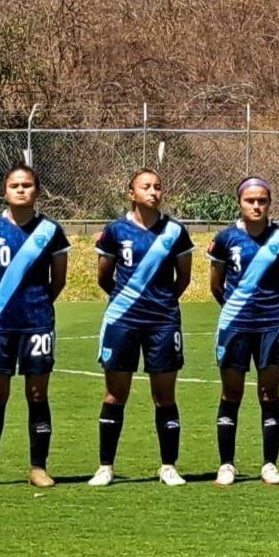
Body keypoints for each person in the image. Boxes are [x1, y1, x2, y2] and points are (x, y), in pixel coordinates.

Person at [0, 165, 71, 488]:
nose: (21, 189)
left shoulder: (51, 232)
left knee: (37, 393)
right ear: (5, 191)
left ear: (37, 191)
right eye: (15, 185)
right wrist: (2, 303)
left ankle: (38, 468)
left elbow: (59, 280)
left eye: (27, 185)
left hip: (38, 324)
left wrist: (36, 305)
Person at [90, 168, 194, 487]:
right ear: (131, 194)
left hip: (163, 321)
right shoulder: (115, 231)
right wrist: (128, 302)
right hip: (122, 320)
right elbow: (104, 278)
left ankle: (168, 466)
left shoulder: (175, 232)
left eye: (158, 187)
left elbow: (184, 279)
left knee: (164, 395)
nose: (153, 192)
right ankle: (106, 466)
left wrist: (160, 303)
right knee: (115, 394)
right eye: (145, 187)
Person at [208, 177, 279, 487]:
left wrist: (268, 310)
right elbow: (216, 285)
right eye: (251, 201)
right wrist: (236, 309)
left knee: (269, 393)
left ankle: (270, 464)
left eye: (262, 201)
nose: (256, 206)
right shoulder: (225, 239)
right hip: (234, 325)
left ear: (269, 203)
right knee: (231, 393)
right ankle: (226, 464)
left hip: (271, 325)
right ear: (240, 203)